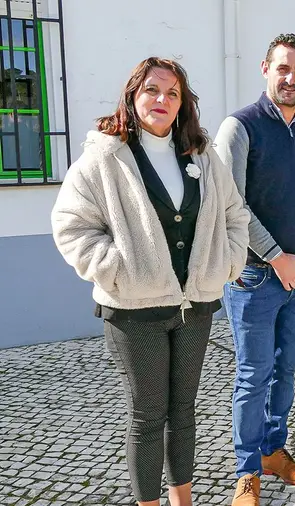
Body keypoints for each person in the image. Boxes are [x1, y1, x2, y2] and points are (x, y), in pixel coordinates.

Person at [50, 57, 250, 506]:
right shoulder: (105, 155)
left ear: (183, 104)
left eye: (173, 93)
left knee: (183, 414)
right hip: (134, 311)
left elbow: (236, 215)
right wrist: (118, 270)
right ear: (133, 95)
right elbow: (70, 224)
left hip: (195, 306)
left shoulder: (202, 154)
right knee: (147, 416)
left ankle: (184, 502)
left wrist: (227, 263)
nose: (162, 99)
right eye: (152, 90)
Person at [214, 34, 295, 506]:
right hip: (254, 277)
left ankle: (273, 452)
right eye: (283, 68)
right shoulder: (239, 127)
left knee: (286, 372)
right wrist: (277, 256)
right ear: (265, 68)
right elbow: (230, 204)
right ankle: (246, 471)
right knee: (253, 375)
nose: (291, 78)